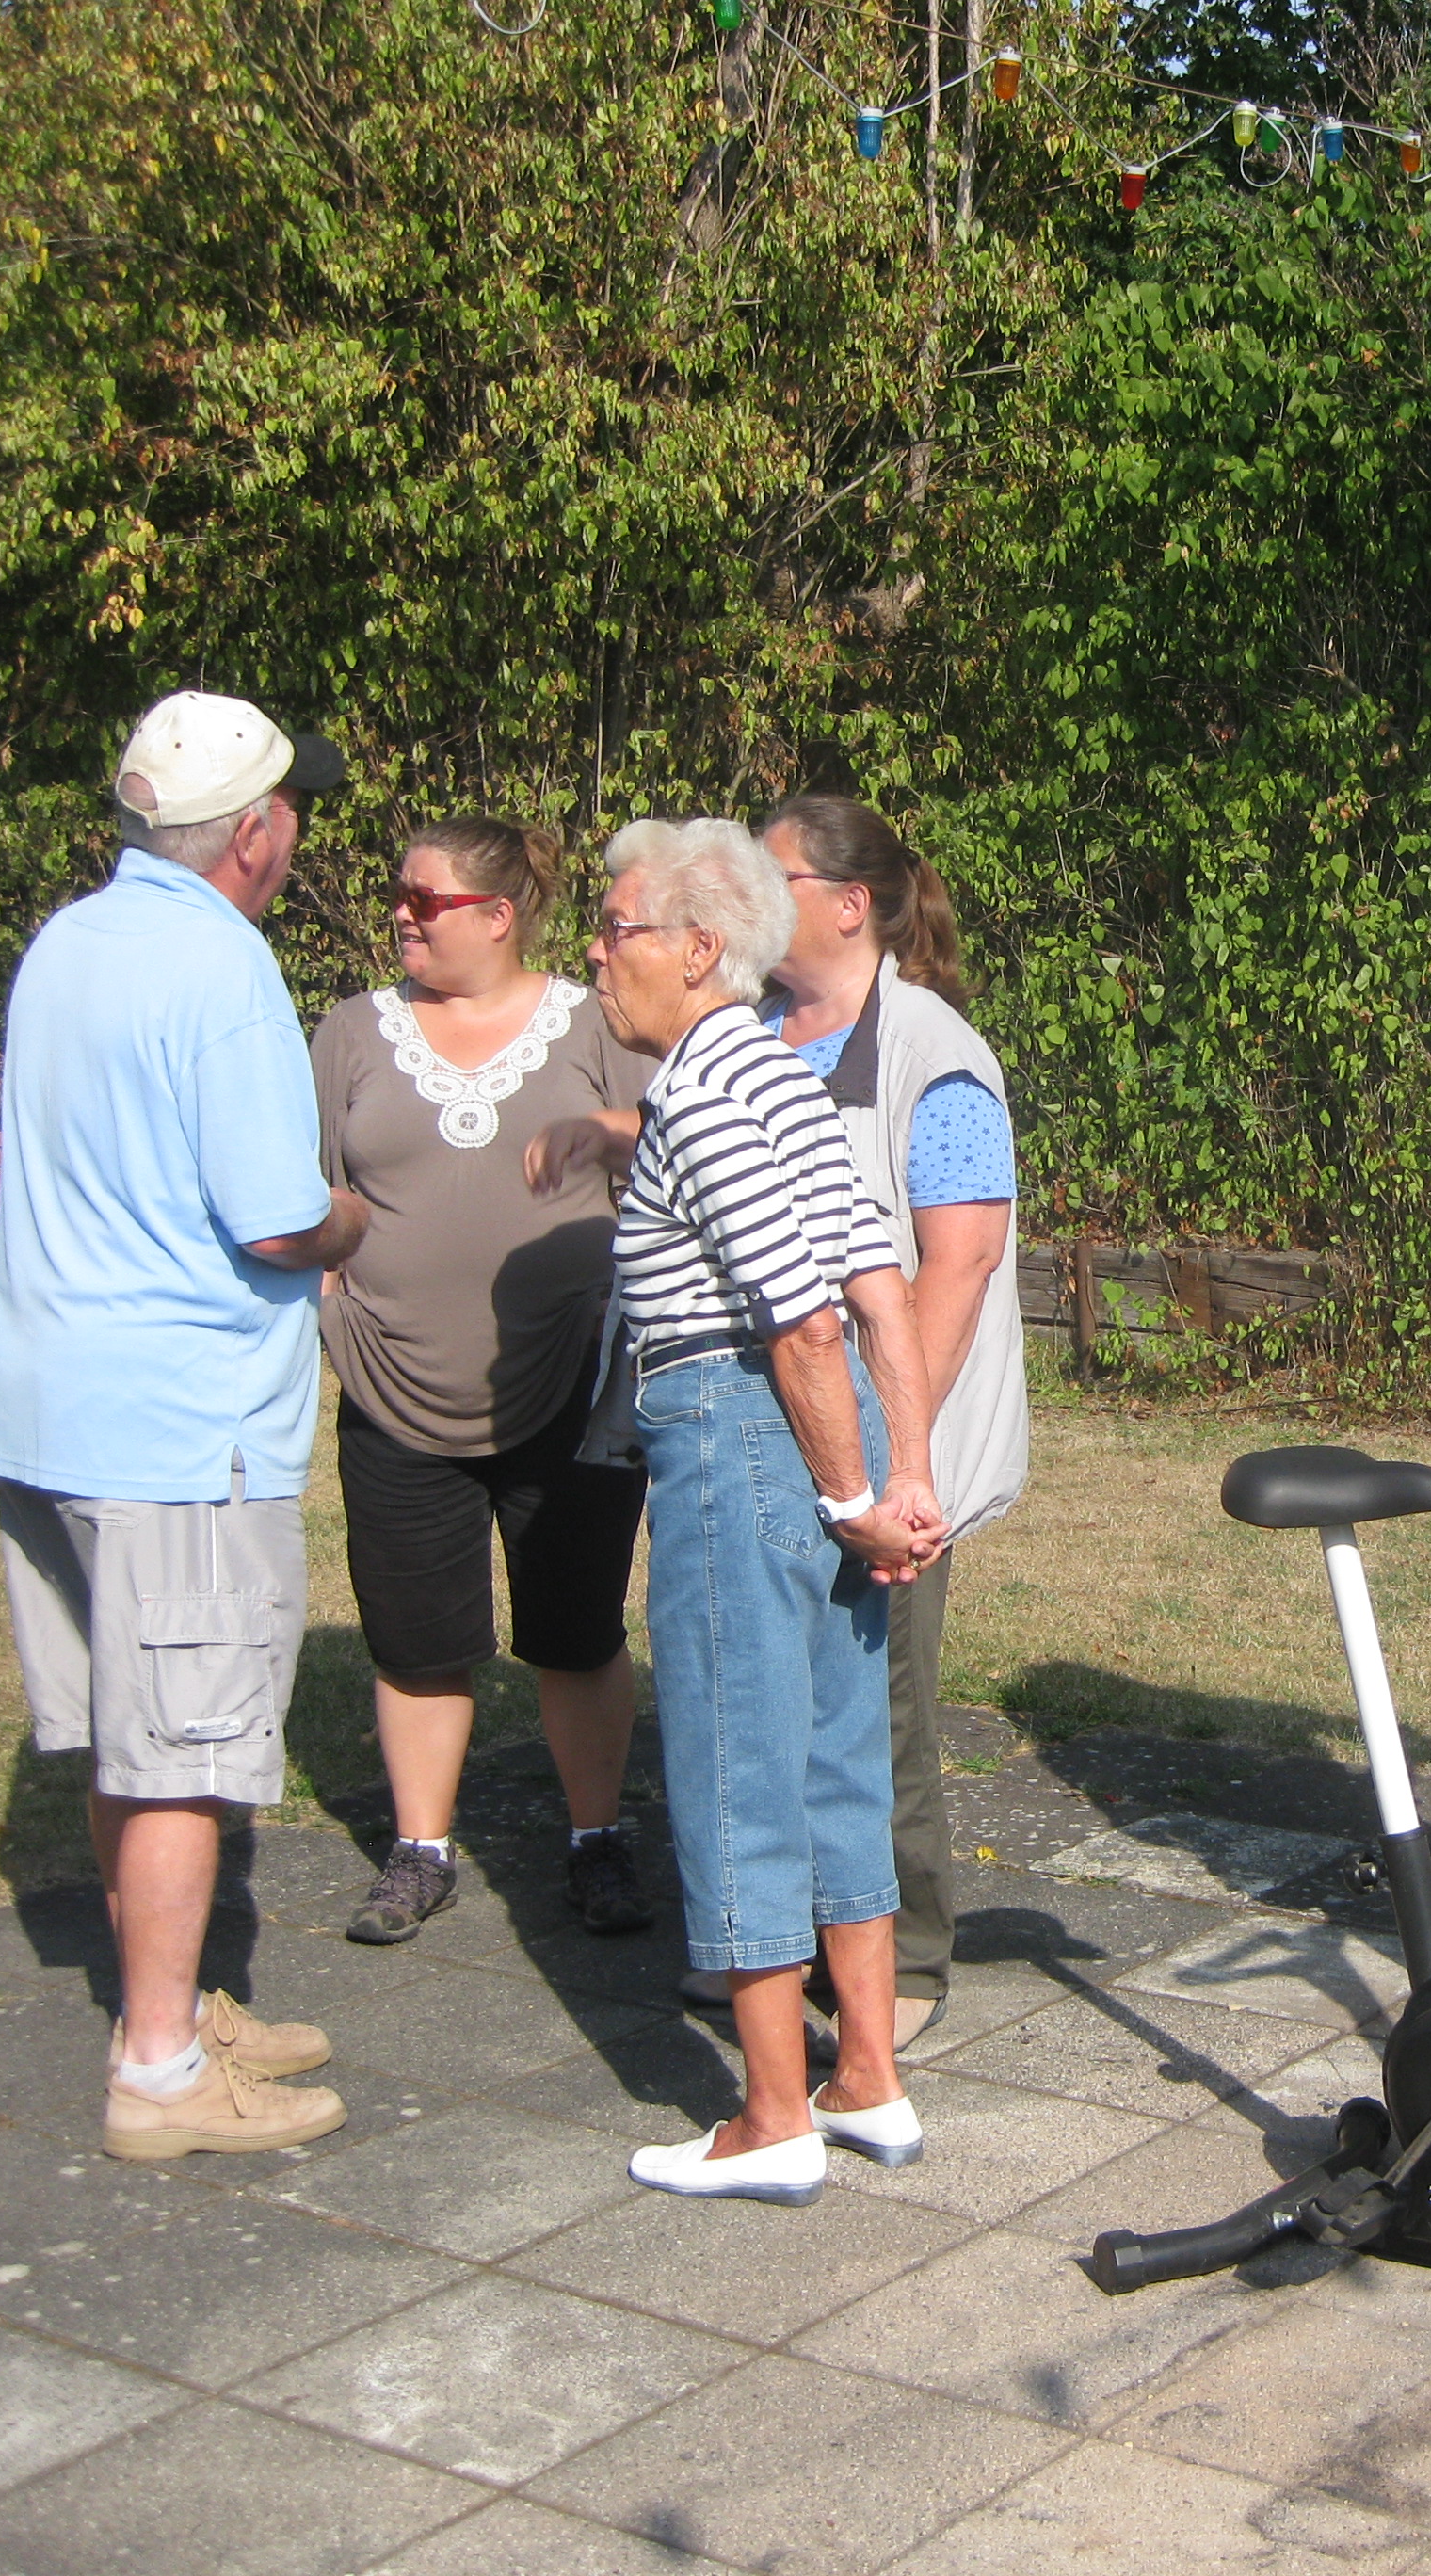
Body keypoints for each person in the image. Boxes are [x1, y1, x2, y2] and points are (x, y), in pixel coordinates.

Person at [0, 691, 365, 2160]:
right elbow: (274, 1218)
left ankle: (178, 1997)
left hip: (51, 1404)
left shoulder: (68, 942)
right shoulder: (223, 967)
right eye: (294, 810)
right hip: (177, 1423)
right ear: (254, 832)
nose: (298, 836)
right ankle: (159, 2068)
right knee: (184, 1753)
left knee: (119, 1735)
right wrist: (349, 1217)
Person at [545, 816, 944, 2205]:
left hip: (740, 1432)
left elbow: (799, 1321)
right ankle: (868, 2077)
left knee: (734, 1757)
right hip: (837, 1433)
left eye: (617, 930)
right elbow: (877, 1288)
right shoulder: (784, 1073)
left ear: (698, 948)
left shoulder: (707, 1091)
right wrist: (906, 1476)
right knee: (839, 1753)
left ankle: (772, 2114)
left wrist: (852, 1498)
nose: (598, 955)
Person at [310, 815, 656, 1947]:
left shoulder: (594, 1020)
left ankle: (596, 1840)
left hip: (570, 1384)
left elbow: (678, 1140)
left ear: (499, 916)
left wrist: (609, 1134)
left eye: (425, 901)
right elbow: (312, 1186)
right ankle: (421, 1853)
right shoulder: (351, 1032)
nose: (401, 916)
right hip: (392, 1384)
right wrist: (335, 1307)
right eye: (399, 896)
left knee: (577, 1630)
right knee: (415, 1640)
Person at [749, 793, 1028, 2053]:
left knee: (880, 1711)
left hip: (890, 1456)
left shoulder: (934, 1053)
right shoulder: (751, 1034)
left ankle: (904, 1960)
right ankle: (787, 1944)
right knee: (776, 1704)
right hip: (770, 1435)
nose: (746, 904)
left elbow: (957, 1268)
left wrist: (888, 1459)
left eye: (774, 880)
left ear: (849, 905)